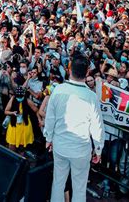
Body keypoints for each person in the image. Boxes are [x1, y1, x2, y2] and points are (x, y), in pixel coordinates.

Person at [44, 52, 105, 202]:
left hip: (61, 146)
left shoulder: (58, 90)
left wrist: (48, 138)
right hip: (80, 150)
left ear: (69, 70)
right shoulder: (91, 96)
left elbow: (50, 118)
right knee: (79, 187)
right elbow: (97, 126)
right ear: (87, 73)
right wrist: (98, 149)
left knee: (58, 182)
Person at [4, 86, 35, 152]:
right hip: (14, 126)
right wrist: (12, 113)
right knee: (11, 147)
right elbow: (6, 111)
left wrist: (40, 120)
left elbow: (36, 110)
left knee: (22, 149)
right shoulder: (13, 99)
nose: (19, 98)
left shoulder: (27, 100)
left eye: (21, 97)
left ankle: (21, 160)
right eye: (18, 97)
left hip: (24, 127)